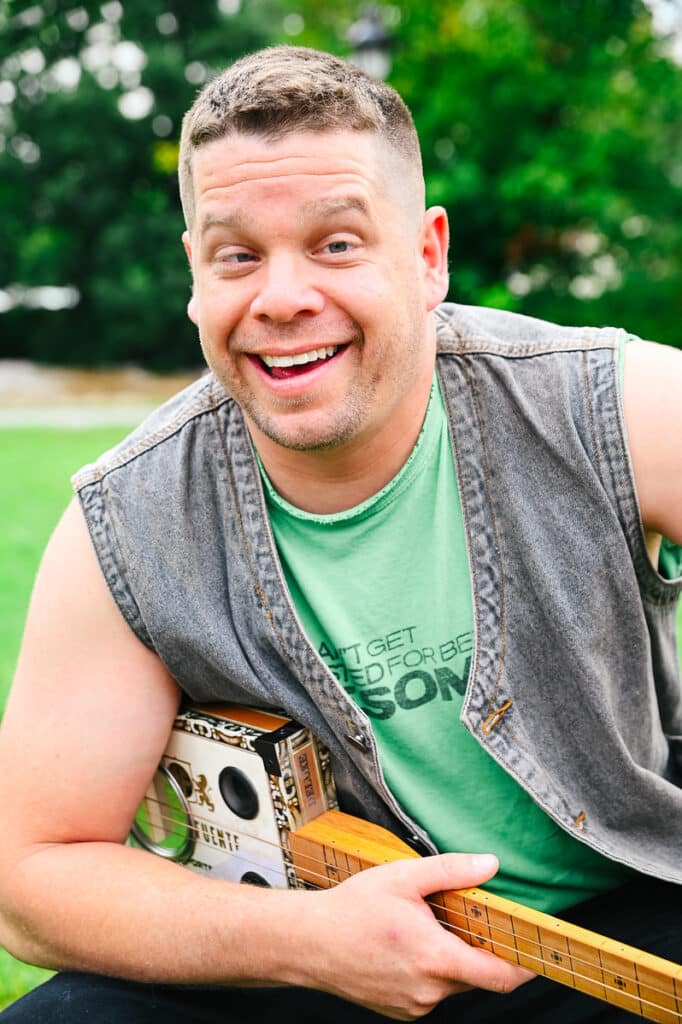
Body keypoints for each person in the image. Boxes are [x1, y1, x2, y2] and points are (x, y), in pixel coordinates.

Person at [0, 44, 680, 1024]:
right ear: (195, 274)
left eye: (335, 244)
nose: (280, 297)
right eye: (238, 254)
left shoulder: (607, 405)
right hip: (311, 964)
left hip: (619, 925)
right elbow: (32, 872)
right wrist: (308, 944)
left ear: (427, 255)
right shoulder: (126, 523)